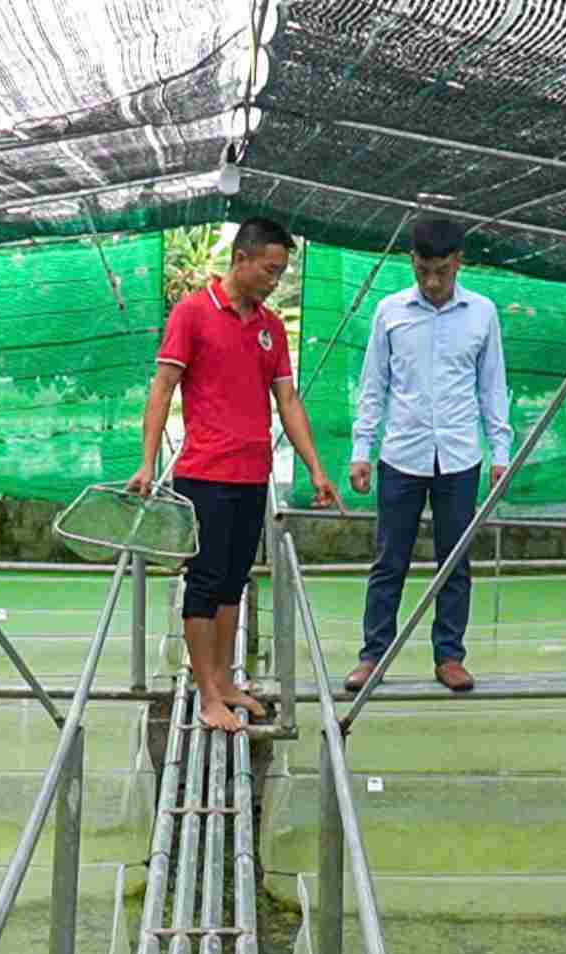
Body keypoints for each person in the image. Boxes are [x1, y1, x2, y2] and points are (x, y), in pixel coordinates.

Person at [130, 217, 340, 733]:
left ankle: (224, 682)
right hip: (204, 475)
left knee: (233, 584)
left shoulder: (270, 328)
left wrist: (316, 468)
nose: (275, 279)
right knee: (203, 582)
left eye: (282, 271)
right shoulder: (193, 313)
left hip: (253, 476)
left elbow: (287, 400)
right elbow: (162, 389)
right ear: (241, 260)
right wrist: (148, 461)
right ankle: (207, 696)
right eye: (270, 269)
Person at [344, 215, 512, 694]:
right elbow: (374, 386)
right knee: (388, 560)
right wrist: (361, 450)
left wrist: (501, 451)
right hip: (401, 455)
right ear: (411, 263)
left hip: (460, 458)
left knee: (455, 561)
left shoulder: (482, 313)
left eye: (441, 270)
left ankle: (450, 656)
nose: (432, 282)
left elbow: (493, 388)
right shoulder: (390, 312)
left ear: (459, 262)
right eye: (422, 271)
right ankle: (373, 655)